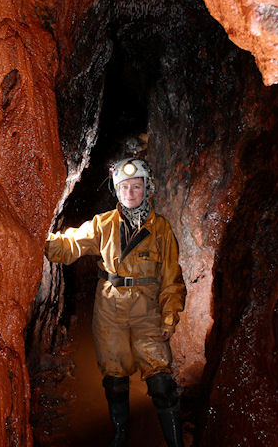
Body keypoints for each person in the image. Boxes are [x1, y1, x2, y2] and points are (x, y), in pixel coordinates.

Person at [45, 157, 186, 447]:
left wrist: (170, 316)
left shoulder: (160, 229)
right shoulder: (104, 225)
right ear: (116, 189)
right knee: (114, 377)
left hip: (147, 309)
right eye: (124, 187)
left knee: (161, 380)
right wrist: (40, 239)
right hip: (110, 307)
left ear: (147, 188)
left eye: (136, 187)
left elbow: (172, 276)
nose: (130, 193)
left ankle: (176, 443)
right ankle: (120, 436)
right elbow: (72, 243)